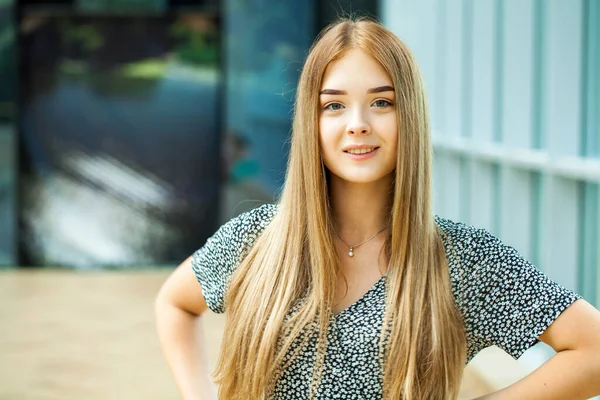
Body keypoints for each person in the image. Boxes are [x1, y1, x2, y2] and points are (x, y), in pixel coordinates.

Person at [155, 17, 600, 400]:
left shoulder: (460, 260)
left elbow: (593, 350)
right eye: (334, 105)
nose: (358, 125)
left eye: (382, 102)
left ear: (410, 115)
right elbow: (174, 303)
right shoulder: (256, 239)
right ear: (312, 122)